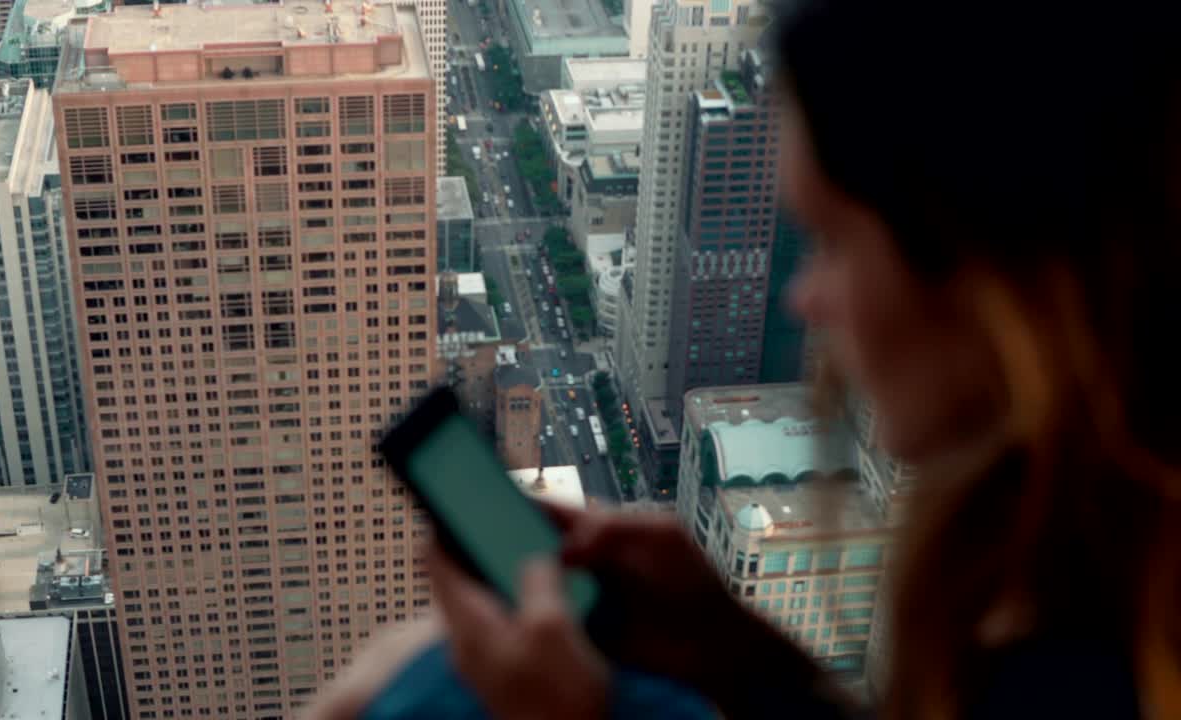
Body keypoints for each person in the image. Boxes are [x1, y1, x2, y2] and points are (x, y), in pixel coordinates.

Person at [311, 0, 1181, 717]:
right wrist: (740, 657)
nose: (806, 299)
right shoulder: (1098, 568)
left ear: (999, 274)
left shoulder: (1092, 650)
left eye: (835, 241)